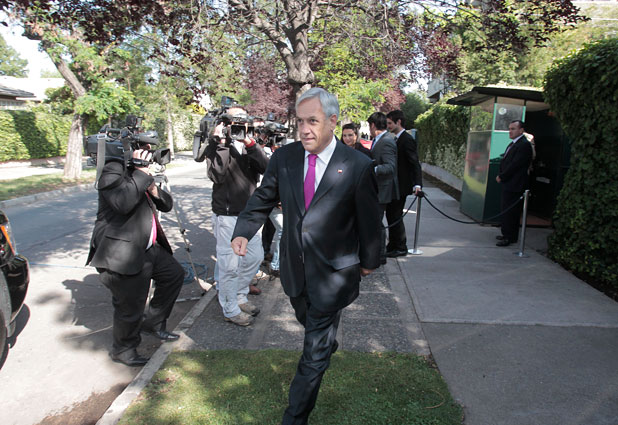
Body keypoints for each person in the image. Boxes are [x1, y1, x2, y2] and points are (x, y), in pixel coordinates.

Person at [231, 88, 381, 425]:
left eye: (312, 121)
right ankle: (326, 344)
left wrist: (370, 261)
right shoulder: (285, 158)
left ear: (332, 121)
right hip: (295, 269)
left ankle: (295, 417)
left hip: (334, 274)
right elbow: (263, 198)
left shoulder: (358, 165)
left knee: (312, 352)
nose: (304, 129)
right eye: (300, 121)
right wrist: (243, 230)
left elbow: (370, 220)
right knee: (311, 324)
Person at [86, 143, 184, 367]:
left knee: (173, 275)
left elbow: (166, 205)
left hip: (147, 247)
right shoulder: (112, 170)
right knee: (130, 305)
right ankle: (124, 350)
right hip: (121, 251)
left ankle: (153, 322)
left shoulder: (141, 173)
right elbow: (122, 203)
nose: (148, 153)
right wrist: (140, 173)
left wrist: (154, 189)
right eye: (144, 149)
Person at [205, 107, 269, 325]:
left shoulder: (250, 144)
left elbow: (267, 168)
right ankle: (230, 309)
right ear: (225, 124)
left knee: (254, 257)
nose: (239, 126)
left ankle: (240, 296)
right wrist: (221, 143)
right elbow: (216, 174)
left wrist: (250, 144)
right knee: (229, 266)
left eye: (243, 121)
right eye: (235, 121)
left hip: (248, 216)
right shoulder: (217, 145)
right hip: (227, 215)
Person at [385, 110, 422, 257]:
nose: (388, 126)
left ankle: (400, 246)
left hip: (401, 185)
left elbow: (415, 163)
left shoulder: (406, 140)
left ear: (398, 122)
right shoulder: (397, 138)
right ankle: (393, 245)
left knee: (396, 216)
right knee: (391, 215)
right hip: (396, 185)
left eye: (390, 123)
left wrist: (417, 184)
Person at [495, 119, 533, 247]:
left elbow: (515, 165)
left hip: (515, 184)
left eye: (513, 129)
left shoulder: (523, 145)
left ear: (521, 130)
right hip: (509, 183)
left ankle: (510, 237)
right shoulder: (513, 144)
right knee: (506, 210)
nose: (510, 131)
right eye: (509, 129)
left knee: (511, 212)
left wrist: (502, 176)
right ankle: (506, 233)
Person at [367, 111, 399, 264]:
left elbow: (390, 167)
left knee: (376, 223)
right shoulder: (379, 140)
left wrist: (372, 169)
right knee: (375, 222)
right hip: (378, 188)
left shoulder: (386, 141)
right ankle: (378, 254)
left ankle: (380, 255)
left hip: (383, 190)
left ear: (373, 125)